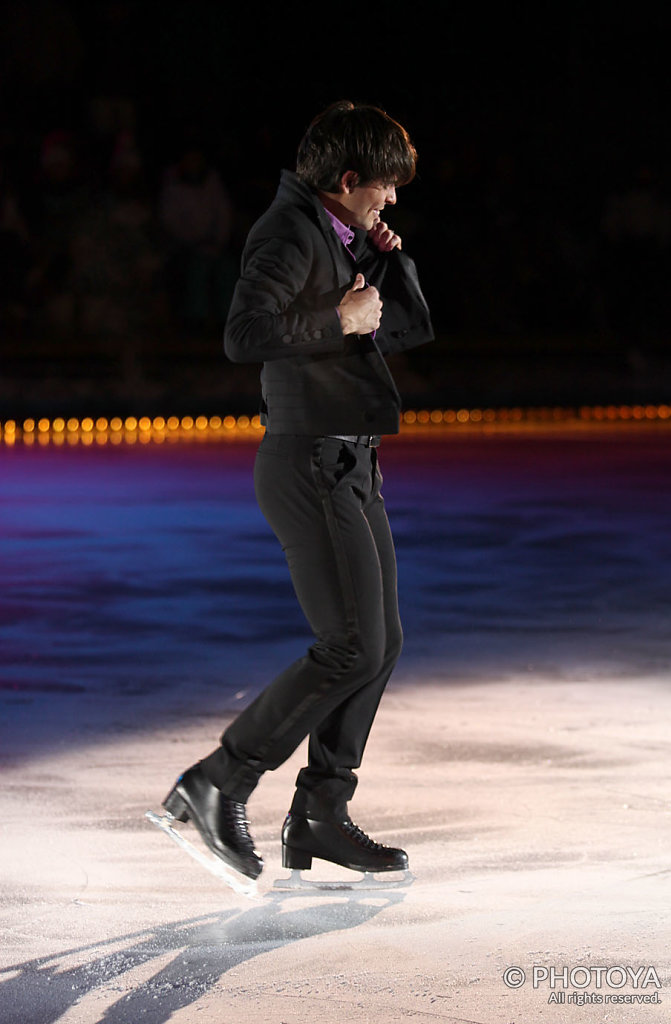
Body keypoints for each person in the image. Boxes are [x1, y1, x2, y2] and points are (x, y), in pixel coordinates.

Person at [161, 101, 433, 881]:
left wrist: (381, 262)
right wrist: (335, 313)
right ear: (348, 180)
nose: (392, 199)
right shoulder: (284, 232)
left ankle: (320, 811)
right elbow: (242, 334)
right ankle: (218, 781)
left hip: (350, 462)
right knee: (349, 642)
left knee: (379, 645)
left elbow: (405, 329)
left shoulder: (340, 234)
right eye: (384, 187)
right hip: (307, 461)